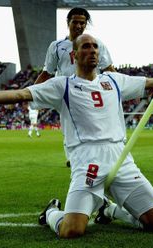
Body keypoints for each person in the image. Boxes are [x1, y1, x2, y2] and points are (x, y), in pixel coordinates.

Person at [0, 34, 153, 238]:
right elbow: (21, 94)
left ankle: (110, 210)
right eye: (86, 47)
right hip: (87, 162)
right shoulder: (62, 85)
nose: (92, 50)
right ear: (74, 54)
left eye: (95, 47)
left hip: (121, 158)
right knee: (72, 230)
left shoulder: (114, 81)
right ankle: (50, 213)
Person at [34, 7, 115, 169]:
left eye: (82, 23)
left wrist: (118, 89)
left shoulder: (97, 45)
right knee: (69, 125)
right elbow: (47, 72)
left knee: (93, 126)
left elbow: (109, 70)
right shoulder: (56, 46)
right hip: (67, 93)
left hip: (91, 91)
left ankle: (95, 159)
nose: (79, 26)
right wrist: (32, 92)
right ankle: (74, 157)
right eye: (75, 22)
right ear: (68, 23)